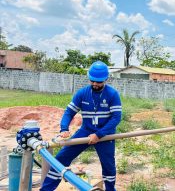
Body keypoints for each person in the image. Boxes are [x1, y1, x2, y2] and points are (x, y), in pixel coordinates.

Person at [40, 61, 122, 191]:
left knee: (108, 166)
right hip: (86, 131)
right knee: (61, 158)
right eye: (92, 80)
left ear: (106, 79)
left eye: (99, 82)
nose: (95, 84)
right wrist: (64, 129)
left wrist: (99, 134)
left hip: (106, 134)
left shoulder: (112, 94)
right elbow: (69, 112)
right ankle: (46, 189)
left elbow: (116, 118)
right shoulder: (82, 93)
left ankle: (110, 189)